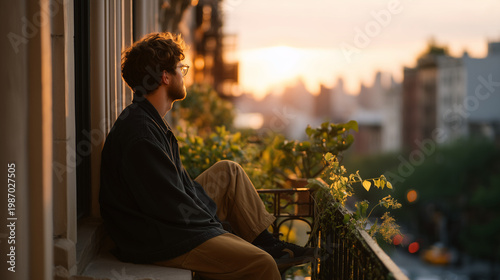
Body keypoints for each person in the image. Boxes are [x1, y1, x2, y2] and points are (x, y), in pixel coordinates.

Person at [99, 32, 315, 280]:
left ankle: (270, 244)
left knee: (228, 172)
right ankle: (267, 253)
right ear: (165, 77)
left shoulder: (150, 121)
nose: (184, 75)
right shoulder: (141, 135)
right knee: (261, 264)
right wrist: (220, 230)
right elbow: (171, 210)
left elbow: (181, 189)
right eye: (181, 69)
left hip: (168, 224)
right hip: (160, 240)